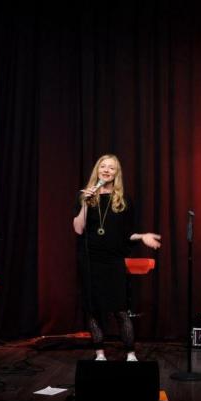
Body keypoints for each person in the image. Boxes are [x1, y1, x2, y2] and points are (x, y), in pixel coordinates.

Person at [73, 154, 161, 362]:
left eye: (111, 168)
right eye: (103, 166)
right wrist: (86, 203)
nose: (106, 170)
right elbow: (78, 229)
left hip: (113, 261)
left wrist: (142, 236)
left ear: (116, 174)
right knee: (94, 310)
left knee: (120, 309)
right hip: (91, 260)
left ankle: (130, 353)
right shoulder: (85, 196)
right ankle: (100, 353)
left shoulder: (123, 200)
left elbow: (126, 234)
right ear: (97, 170)